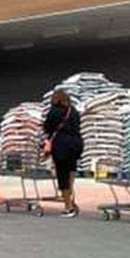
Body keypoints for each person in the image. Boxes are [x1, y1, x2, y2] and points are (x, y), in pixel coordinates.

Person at [43, 90, 83, 218]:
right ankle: (69, 192)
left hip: (61, 146)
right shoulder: (74, 111)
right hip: (76, 144)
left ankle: (68, 207)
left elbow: (47, 128)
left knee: (62, 175)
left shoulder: (54, 111)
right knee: (71, 169)